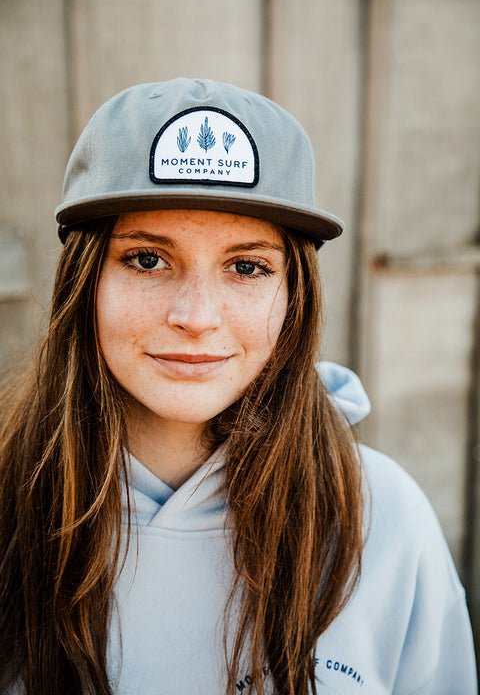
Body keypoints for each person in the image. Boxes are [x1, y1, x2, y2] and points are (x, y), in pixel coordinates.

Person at [0, 78, 476, 695]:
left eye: (246, 267)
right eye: (147, 258)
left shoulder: (380, 517)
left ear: (295, 296)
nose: (197, 316)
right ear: (84, 282)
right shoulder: (11, 497)